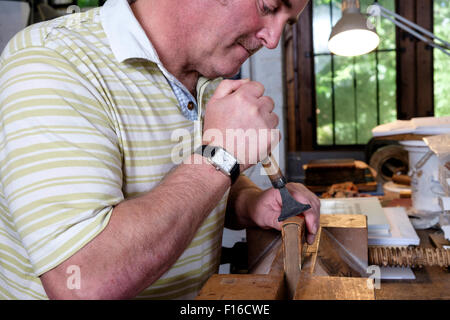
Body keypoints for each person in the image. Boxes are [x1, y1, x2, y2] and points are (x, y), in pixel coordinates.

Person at [0, 0, 319, 299]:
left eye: (286, 23)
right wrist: (221, 156)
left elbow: (186, 188)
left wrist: (248, 202)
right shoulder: (51, 61)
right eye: (269, 7)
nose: (274, 39)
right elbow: (82, 281)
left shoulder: (206, 79)